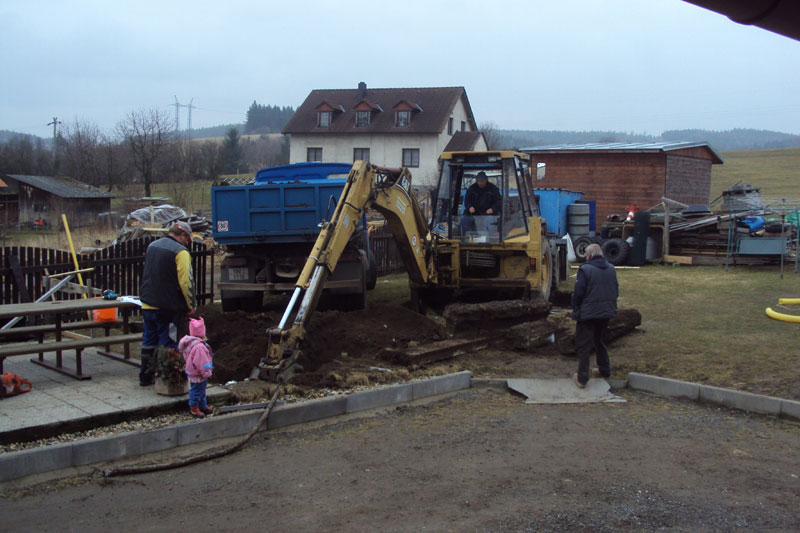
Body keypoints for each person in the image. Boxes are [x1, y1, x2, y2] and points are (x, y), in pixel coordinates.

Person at [139, 221, 197, 386]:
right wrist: (190, 304)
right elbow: (186, 282)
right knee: (168, 343)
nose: (187, 243)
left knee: (149, 341)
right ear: (183, 235)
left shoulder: (152, 246)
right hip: (167, 307)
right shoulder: (181, 252)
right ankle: (167, 380)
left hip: (148, 303)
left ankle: (145, 377)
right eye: (187, 239)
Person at [571, 243, 618, 389]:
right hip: (605, 311)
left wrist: (576, 308)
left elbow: (579, 293)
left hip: (588, 313)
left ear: (589, 255)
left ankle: (582, 377)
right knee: (599, 341)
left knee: (583, 345)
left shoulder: (585, 270)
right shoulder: (611, 268)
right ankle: (605, 370)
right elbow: (615, 290)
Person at [179, 317, 213, 418]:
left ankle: (202, 406)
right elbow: (202, 362)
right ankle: (194, 407)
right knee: (197, 391)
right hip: (199, 374)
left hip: (193, 372)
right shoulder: (200, 347)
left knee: (201, 391)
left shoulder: (190, 344)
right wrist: (207, 372)